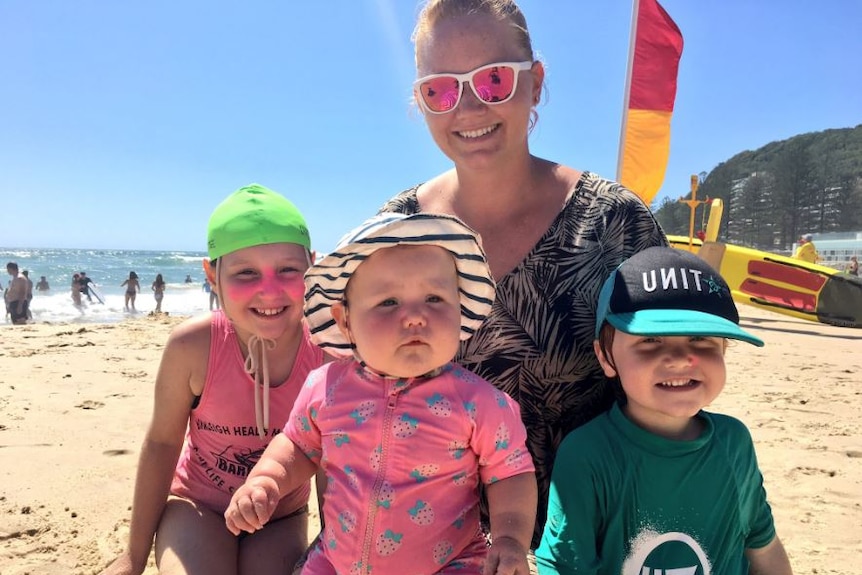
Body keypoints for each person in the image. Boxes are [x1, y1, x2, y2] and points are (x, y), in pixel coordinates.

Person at [377, 0, 667, 545]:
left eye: (493, 80)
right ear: (421, 101)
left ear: (534, 83)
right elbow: (360, 395)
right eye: (440, 88)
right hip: (433, 544)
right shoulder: (397, 232)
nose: (467, 106)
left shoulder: (614, 223)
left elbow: (668, 396)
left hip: (588, 540)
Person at [225, 212, 537, 575]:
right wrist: (266, 481)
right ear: (345, 322)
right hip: (339, 561)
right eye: (389, 302)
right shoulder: (327, 387)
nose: (416, 316)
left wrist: (510, 539)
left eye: (435, 298)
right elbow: (297, 446)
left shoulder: (478, 402)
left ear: (459, 307)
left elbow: (509, 474)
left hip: (449, 563)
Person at [100, 184, 327, 575]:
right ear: (212, 274)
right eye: (246, 272)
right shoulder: (193, 345)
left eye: (288, 269)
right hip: (198, 507)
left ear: (313, 265)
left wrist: (338, 549)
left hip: (280, 516)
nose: (268, 291)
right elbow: (161, 443)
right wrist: (133, 557)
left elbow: (331, 460)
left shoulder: (326, 351)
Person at [536, 247, 793, 575]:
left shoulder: (735, 443)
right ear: (605, 357)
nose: (680, 358)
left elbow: (763, 546)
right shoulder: (588, 455)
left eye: (700, 338)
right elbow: (564, 567)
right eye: (651, 340)